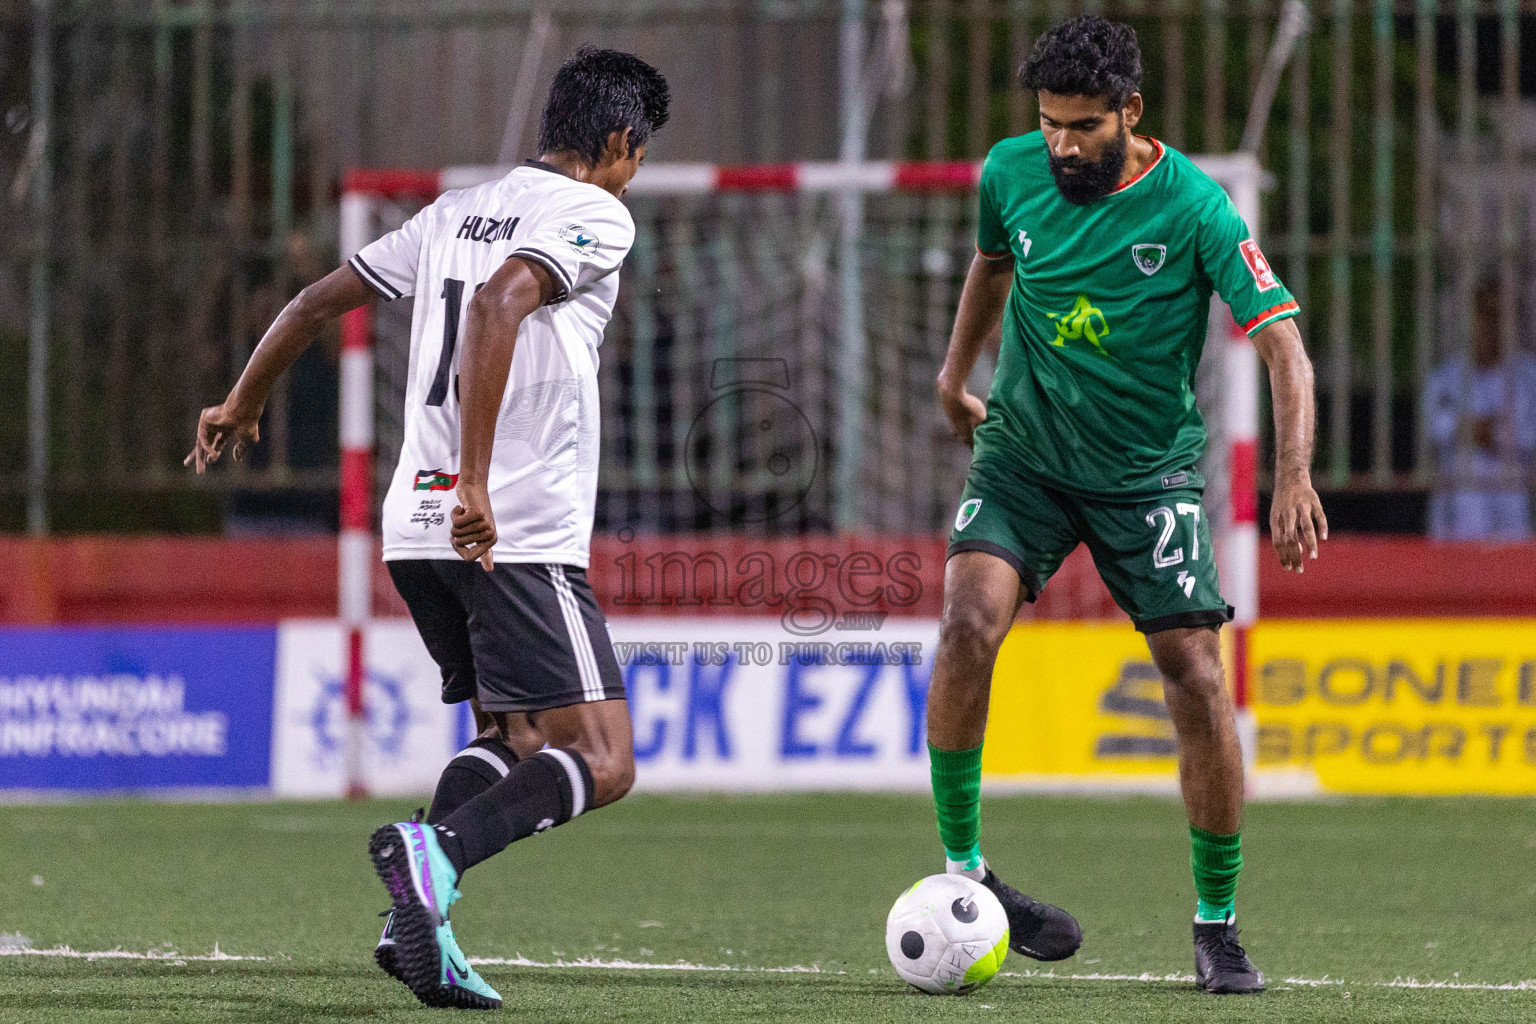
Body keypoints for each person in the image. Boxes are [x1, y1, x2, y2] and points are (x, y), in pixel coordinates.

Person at [187, 47, 669, 1009]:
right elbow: (502, 304)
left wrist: (242, 403)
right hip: (509, 528)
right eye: (639, 153)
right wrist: (480, 485)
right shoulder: (593, 213)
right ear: (618, 142)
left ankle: (411, 923)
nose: (636, 171)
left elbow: (319, 300)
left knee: (516, 735)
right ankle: (434, 858)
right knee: (605, 761)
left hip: (413, 527)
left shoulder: (455, 211)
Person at [929, 16, 1325, 995]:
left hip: (1146, 475)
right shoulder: (1010, 172)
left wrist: (1296, 474)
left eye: (1083, 127)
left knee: (1195, 674)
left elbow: (1282, 345)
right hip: (1022, 454)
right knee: (967, 625)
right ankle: (965, 875)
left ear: (1130, 114)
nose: (1063, 145)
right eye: (1051, 124)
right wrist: (953, 375)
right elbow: (992, 263)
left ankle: (1217, 923)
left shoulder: (1198, 209)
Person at [1425, 279, 1536, 541]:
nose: (1489, 326)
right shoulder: (1445, 377)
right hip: (1457, 517)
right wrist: (1492, 429)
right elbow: (1435, 429)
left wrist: (1468, 428)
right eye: (1482, 315)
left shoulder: (1528, 375)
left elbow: (1527, 435)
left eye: (1496, 316)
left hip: (1512, 513)